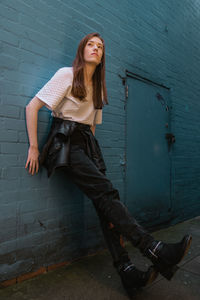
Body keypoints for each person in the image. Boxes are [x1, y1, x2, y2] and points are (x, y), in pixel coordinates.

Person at [25, 32, 192, 298]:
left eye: (100, 47)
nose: (95, 49)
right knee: (107, 194)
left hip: (86, 143)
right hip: (65, 142)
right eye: (90, 45)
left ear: (103, 55)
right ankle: (154, 249)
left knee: (106, 207)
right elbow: (32, 107)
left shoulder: (99, 87)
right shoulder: (67, 74)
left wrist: (92, 153)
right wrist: (35, 147)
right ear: (82, 50)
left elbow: (91, 126)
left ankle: (127, 271)